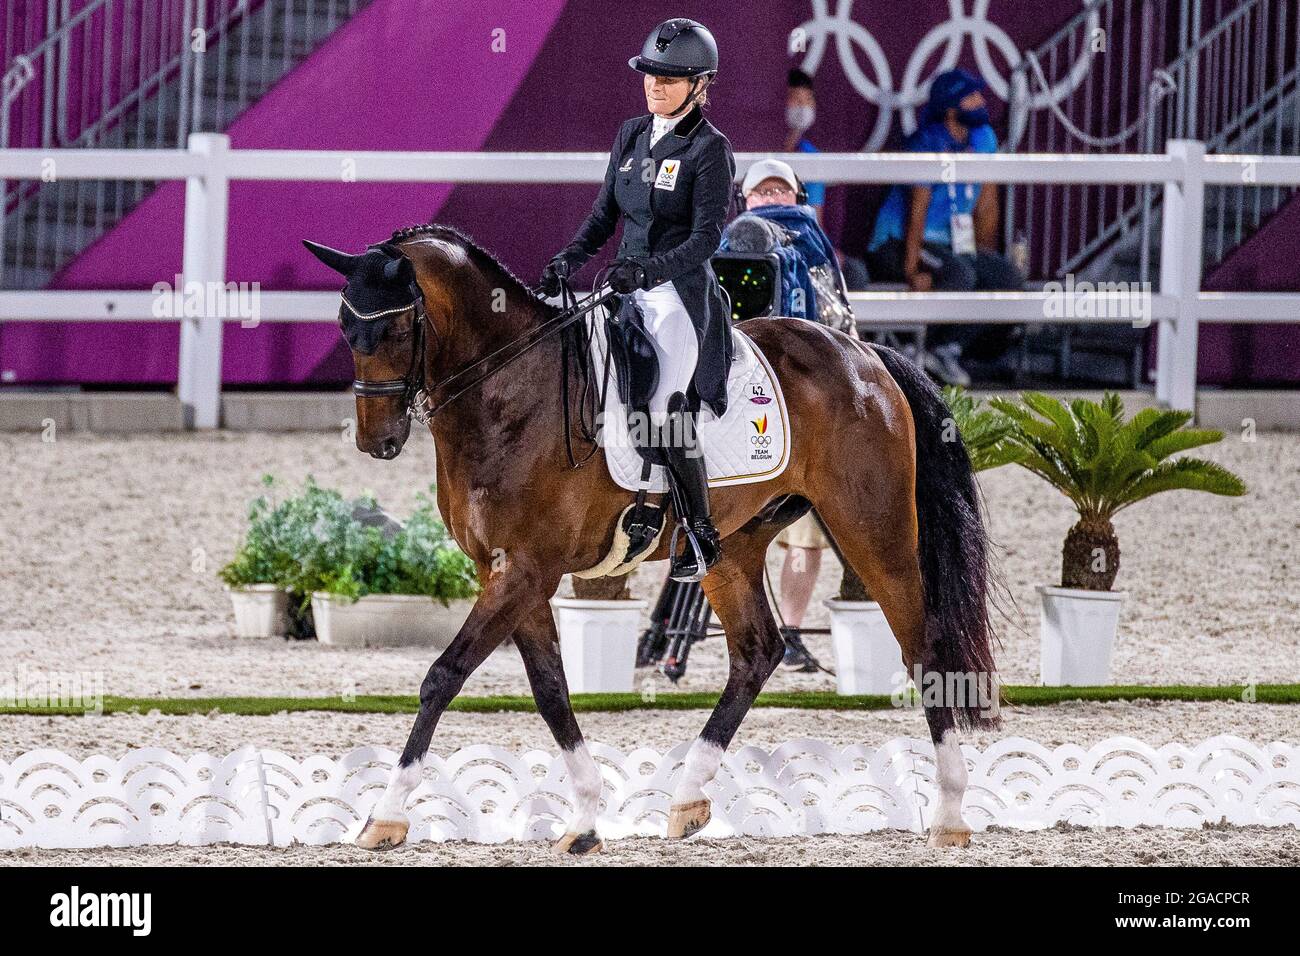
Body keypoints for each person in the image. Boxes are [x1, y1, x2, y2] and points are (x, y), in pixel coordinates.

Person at [538, 18, 736, 583]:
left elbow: (705, 240)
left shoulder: (709, 149)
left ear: (700, 85)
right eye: (651, 74)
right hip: (624, 284)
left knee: (662, 406)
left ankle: (698, 533)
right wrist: (568, 260)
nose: (656, 85)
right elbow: (604, 217)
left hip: (677, 295)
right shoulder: (629, 135)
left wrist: (647, 272)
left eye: (671, 79)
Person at [725, 158, 847, 671]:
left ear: (797, 196)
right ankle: (677, 638)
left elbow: (839, 321)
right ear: (746, 200)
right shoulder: (724, 248)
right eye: (763, 190)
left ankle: (790, 632)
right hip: (739, 392)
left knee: (805, 534)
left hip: (801, 399)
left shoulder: (817, 254)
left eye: (781, 189)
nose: (772, 196)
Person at [867, 68, 1025, 386]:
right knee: (961, 274)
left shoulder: (984, 139)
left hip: (950, 246)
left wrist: (984, 255)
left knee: (1006, 278)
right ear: (951, 108)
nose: (982, 101)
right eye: (972, 97)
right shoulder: (927, 141)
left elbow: (987, 204)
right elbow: (917, 210)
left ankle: (949, 348)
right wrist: (911, 269)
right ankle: (922, 350)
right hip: (898, 243)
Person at [785, 68, 870, 290]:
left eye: (808, 100)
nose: (803, 107)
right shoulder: (759, 146)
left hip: (801, 245)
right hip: (765, 244)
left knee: (854, 272)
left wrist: (826, 251)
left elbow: (815, 219)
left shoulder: (811, 156)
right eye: (796, 99)